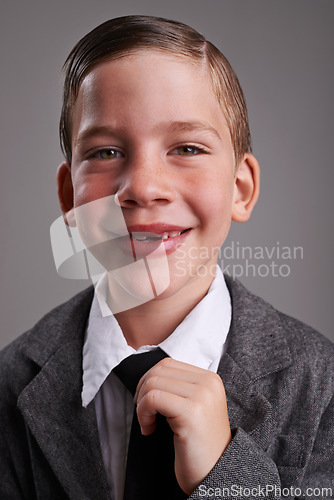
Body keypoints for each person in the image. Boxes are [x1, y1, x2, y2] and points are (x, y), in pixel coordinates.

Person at [0, 15, 333, 500]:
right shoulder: (9, 386)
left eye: (186, 147)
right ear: (70, 198)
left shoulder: (321, 388)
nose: (144, 187)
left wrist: (225, 477)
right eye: (107, 152)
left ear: (240, 190)